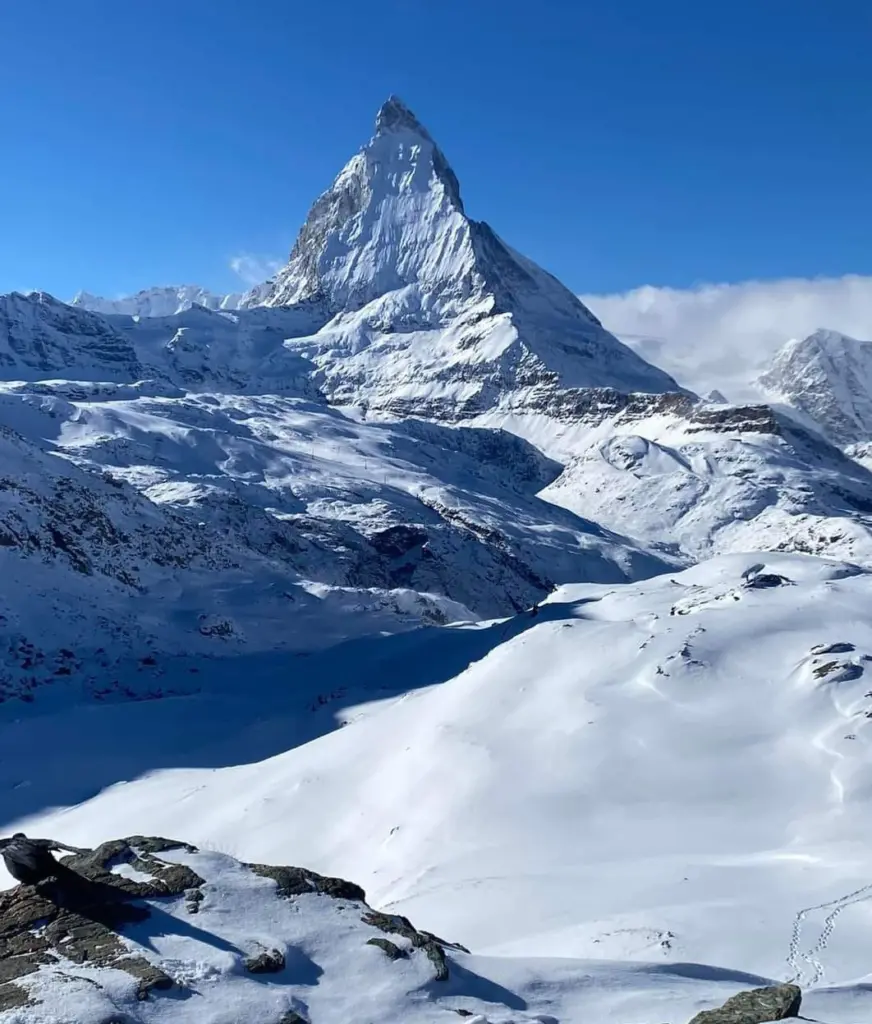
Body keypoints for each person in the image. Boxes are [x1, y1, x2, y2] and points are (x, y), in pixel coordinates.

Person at [0, 833, 90, 887]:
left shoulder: (9, 846)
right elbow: (53, 843)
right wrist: (79, 851)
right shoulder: (30, 842)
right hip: (49, 868)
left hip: (30, 875)